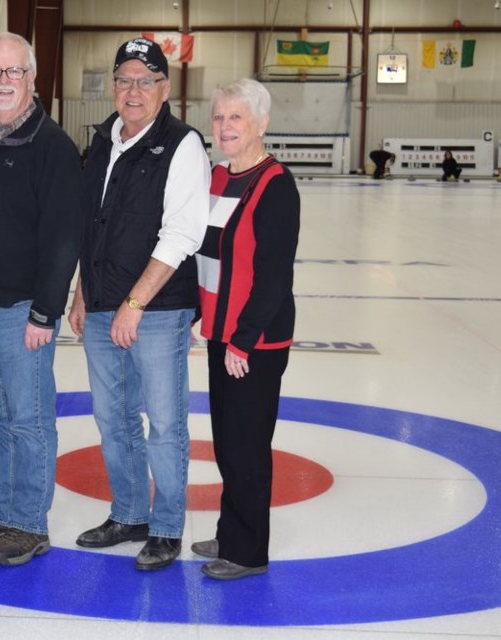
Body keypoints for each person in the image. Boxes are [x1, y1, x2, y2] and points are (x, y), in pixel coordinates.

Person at [68, 37, 210, 571]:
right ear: (112, 85)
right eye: (124, 79)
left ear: (164, 89)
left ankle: (167, 526)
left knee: (165, 421)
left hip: (156, 308)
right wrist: (83, 291)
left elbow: (181, 234)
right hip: (103, 302)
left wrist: (133, 303)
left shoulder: (182, 144)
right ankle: (129, 513)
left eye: (145, 80)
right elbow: (91, 226)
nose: (133, 90)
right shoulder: (103, 140)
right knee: (113, 417)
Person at [0, 32, 83, 566]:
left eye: (14, 72)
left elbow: (63, 237)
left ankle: (29, 522)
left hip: (22, 311)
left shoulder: (52, 146)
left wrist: (45, 310)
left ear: (30, 78)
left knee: (28, 419)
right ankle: (0, 509)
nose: (3, 81)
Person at [190, 78, 300, 580]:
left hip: (252, 342)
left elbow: (274, 276)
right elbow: (206, 255)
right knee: (229, 443)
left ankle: (248, 550)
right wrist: (200, 316)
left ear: (261, 123)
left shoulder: (275, 184)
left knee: (248, 445)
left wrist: (244, 338)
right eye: (219, 117)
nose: (226, 126)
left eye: (237, 117)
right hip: (219, 333)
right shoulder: (216, 176)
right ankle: (232, 530)